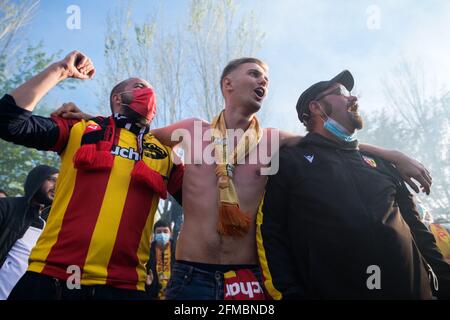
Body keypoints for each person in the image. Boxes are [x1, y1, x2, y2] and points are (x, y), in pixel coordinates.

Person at [55, 58, 433, 300]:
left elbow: (335, 142)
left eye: (267, 77)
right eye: (254, 73)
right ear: (228, 84)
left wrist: (392, 155)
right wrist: (87, 117)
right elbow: (134, 135)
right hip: (190, 278)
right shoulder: (191, 130)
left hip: (249, 279)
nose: (263, 80)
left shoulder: (273, 141)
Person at [0, 50, 183, 300]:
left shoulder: (164, 154)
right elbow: (9, 122)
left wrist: (194, 134)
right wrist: (60, 70)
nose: (149, 94)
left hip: (125, 289)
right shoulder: (81, 129)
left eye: (153, 93)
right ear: (118, 98)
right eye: (140, 86)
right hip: (50, 279)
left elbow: (203, 205)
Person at [257, 70, 450, 299]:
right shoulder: (289, 162)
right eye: (341, 93)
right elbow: (273, 234)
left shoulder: (383, 164)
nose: (353, 98)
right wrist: (292, 294)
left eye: (351, 93)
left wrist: (445, 283)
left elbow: (418, 230)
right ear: (316, 108)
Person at [0, 165, 58, 299]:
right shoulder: (6, 207)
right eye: (52, 180)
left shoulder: (46, 225)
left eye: (60, 182)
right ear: (37, 180)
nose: (57, 186)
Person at [145, 219, 176, 299]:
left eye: (165, 231)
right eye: (159, 232)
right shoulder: (147, 253)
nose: (162, 234)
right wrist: (148, 284)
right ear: (154, 235)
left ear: (171, 234)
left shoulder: (178, 252)